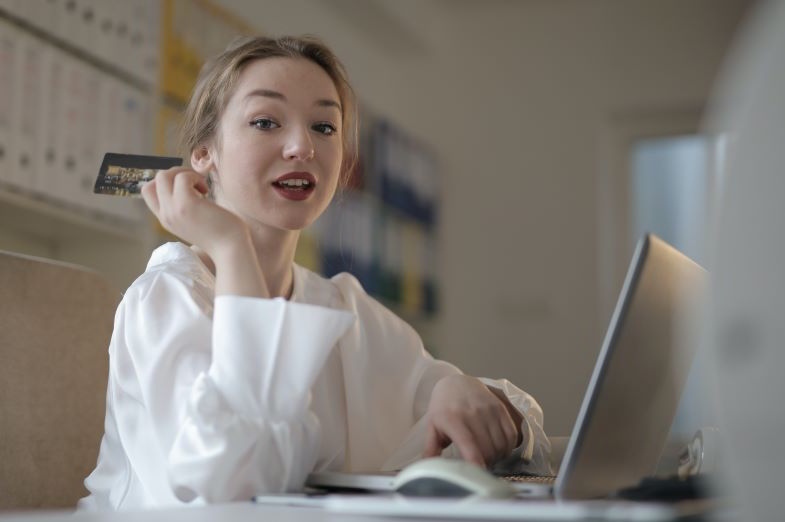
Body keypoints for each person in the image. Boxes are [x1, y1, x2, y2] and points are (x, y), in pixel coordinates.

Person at [79, 35, 551, 510]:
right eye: (265, 122)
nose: (302, 146)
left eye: (324, 127)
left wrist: (465, 390)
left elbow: (517, 427)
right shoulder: (166, 295)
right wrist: (231, 246)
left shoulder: (343, 305)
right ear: (204, 154)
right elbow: (230, 485)